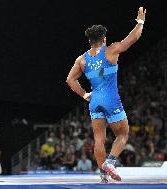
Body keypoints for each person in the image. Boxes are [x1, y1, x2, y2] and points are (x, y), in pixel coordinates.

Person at [66, 7, 146, 183]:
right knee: (123, 134)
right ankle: (110, 163)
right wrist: (140, 22)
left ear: (89, 41)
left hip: (94, 101)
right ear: (104, 39)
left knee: (99, 140)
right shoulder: (110, 50)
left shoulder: (82, 60)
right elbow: (132, 39)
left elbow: (70, 80)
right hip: (110, 98)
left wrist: (85, 95)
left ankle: (103, 175)